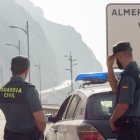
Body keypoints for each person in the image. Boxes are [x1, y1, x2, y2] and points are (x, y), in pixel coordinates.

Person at [0, 56, 46, 140]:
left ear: (11, 70)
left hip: (9, 136)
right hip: (28, 136)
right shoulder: (29, 90)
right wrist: (39, 135)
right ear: (27, 70)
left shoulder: (2, 91)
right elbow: (41, 121)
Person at [107, 42, 140, 140]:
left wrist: (112, 120)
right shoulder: (135, 72)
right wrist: (110, 67)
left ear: (119, 55)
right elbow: (114, 88)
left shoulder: (130, 75)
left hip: (130, 128)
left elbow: (124, 105)